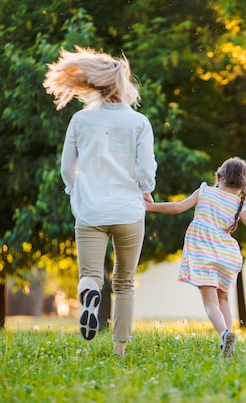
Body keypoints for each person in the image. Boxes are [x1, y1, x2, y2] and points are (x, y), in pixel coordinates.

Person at [43, 46, 157, 358]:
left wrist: (75, 190)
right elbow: (146, 171)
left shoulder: (80, 120)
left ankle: (90, 295)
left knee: (90, 275)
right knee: (124, 283)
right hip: (129, 212)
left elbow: (67, 168)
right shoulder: (139, 122)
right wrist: (147, 188)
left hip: (91, 210)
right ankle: (119, 350)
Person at [145, 157, 246, 358]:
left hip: (204, 250)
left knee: (210, 303)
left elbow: (178, 207)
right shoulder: (239, 204)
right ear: (244, 184)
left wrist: (149, 207)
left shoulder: (205, 191)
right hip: (227, 254)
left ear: (220, 176)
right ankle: (229, 336)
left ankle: (224, 334)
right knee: (223, 297)